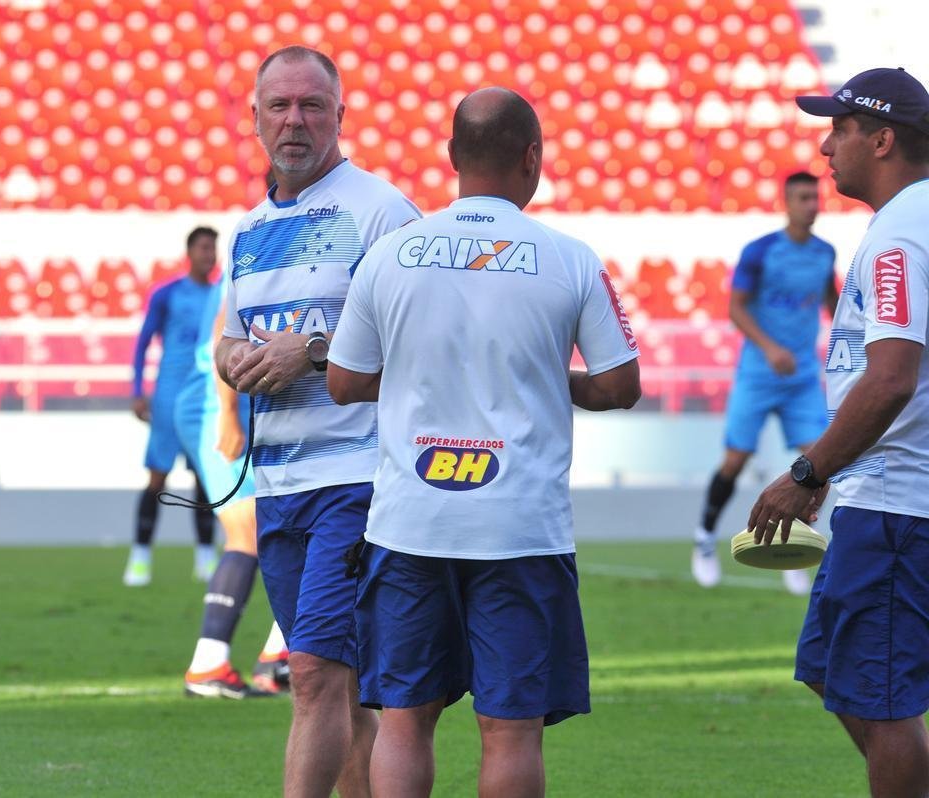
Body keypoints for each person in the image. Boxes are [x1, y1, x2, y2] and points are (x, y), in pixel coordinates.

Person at [328, 87, 640, 798]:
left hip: (411, 522)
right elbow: (621, 384)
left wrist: (417, 373)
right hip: (519, 528)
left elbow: (345, 381)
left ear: (451, 156)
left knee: (404, 720)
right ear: (533, 158)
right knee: (510, 728)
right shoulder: (569, 258)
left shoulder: (391, 253)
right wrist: (549, 380)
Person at [214, 45, 420, 797]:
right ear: (256, 118)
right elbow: (232, 337)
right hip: (278, 480)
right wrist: (237, 359)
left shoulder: (384, 211)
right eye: (279, 106)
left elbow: (424, 342)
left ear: (340, 114)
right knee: (343, 687)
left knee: (312, 677)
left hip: (357, 476)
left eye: (311, 105)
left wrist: (314, 351)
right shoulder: (246, 229)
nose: (294, 120)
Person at [748, 67, 929, 798]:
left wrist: (808, 473)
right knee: (834, 671)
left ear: (882, 139)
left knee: (876, 699)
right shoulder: (905, 225)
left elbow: (890, 376)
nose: (825, 148)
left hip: (897, 502)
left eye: (840, 129)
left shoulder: (902, 235)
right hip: (880, 488)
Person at [692, 172, 838, 593]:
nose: (812, 204)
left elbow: (832, 305)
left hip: (802, 379)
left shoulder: (825, 253)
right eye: (803, 197)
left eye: (815, 197)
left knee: (818, 464)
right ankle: (704, 538)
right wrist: (770, 347)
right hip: (758, 373)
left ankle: (792, 545)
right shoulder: (760, 252)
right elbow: (736, 309)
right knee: (735, 461)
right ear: (787, 202)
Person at [176, 282, 289, 699]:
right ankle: (210, 664)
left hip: (231, 400)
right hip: (222, 400)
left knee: (280, 527)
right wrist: (226, 414)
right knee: (249, 533)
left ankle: (278, 654)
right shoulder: (256, 254)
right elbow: (225, 330)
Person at [123, 227, 218, 587]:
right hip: (167, 398)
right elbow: (143, 342)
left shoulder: (219, 296)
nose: (210, 254)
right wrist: (137, 390)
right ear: (190, 252)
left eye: (213, 248)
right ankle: (140, 557)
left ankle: (206, 559)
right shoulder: (168, 294)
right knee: (157, 478)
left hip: (202, 400)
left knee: (206, 479)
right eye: (204, 248)